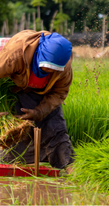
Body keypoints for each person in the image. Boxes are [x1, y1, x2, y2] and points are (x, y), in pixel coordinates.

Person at [0, 30, 74, 169]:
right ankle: (13, 166)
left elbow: (59, 93)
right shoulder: (15, 54)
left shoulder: (64, 67)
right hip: (15, 89)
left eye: (53, 69)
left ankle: (66, 168)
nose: (48, 71)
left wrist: (39, 112)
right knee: (18, 133)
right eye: (45, 66)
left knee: (56, 130)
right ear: (39, 54)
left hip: (44, 95)